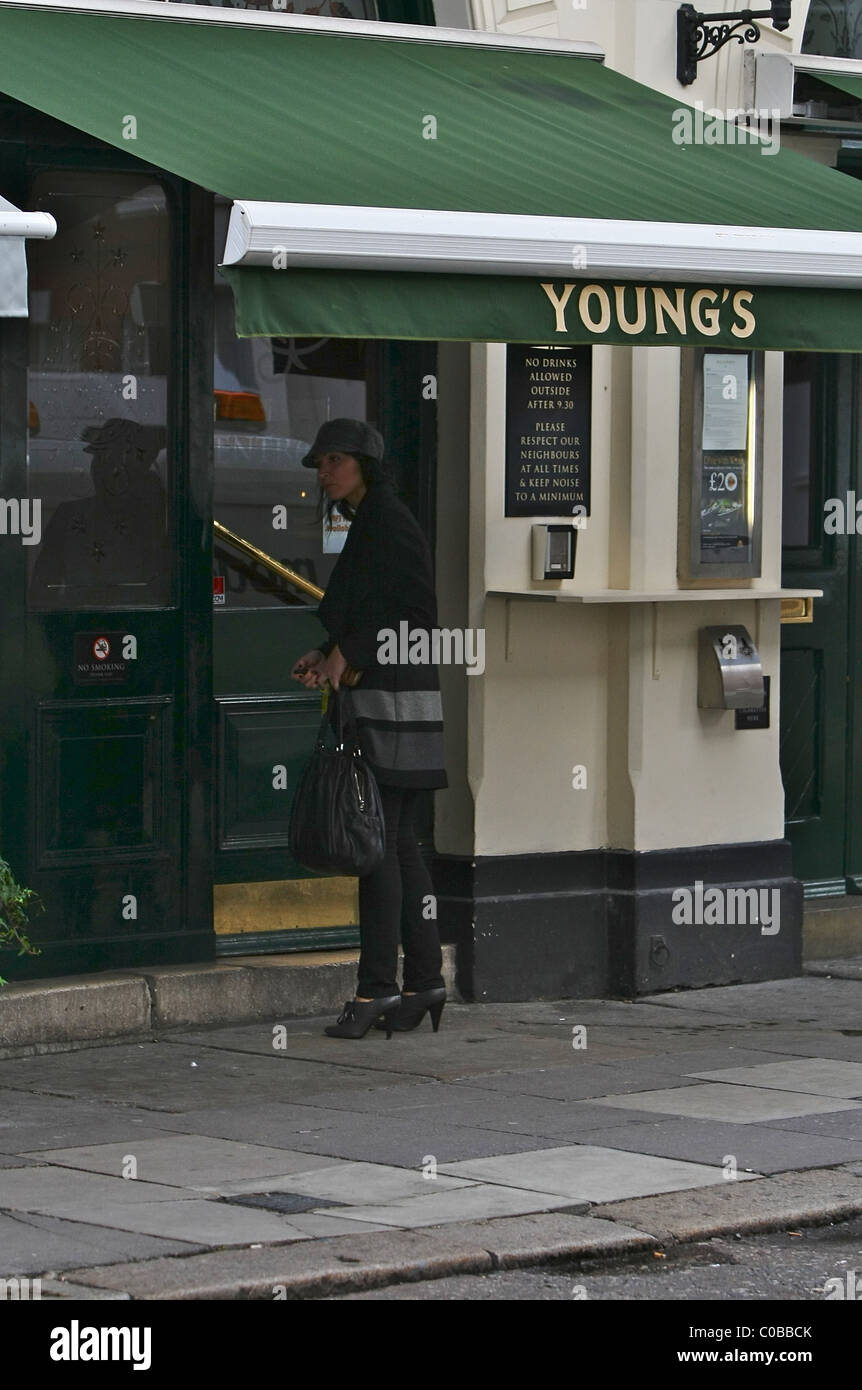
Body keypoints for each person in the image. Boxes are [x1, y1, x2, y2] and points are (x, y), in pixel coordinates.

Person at [291, 418, 448, 1040]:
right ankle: (426, 981)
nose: (324, 473)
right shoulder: (374, 519)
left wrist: (346, 656)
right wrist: (330, 650)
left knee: (376, 846)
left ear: (363, 464)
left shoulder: (385, 521)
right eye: (321, 463)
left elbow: (411, 613)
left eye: (334, 461)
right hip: (395, 702)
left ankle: (377, 989)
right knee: (398, 843)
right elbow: (377, 604)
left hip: (391, 706)